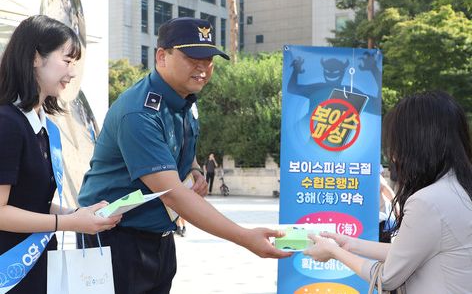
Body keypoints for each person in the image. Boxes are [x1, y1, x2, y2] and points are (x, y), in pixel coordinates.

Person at [77, 17, 291, 294]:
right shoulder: (140, 112)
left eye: (209, 59)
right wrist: (245, 237)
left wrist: (196, 170)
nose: (203, 68)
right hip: (116, 238)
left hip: (158, 236)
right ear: (162, 56)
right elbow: (172, 193)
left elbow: (181, 148)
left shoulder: (183, 101)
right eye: (192, 58)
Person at [304, 91, 472, 293]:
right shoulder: (458, 188)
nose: (393, 155)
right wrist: (349, 244)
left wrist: (333, 252)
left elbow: (387, 277)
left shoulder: (428, 201)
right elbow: (409, 252)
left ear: (417, 144)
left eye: (398, 144)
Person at [0, 15, 121, 294]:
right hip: (10, 271)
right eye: (67, 61)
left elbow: (32, 201)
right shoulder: (7, 123)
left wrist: (77, 213)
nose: (72, 72)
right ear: (34, 57)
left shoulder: (45, 127)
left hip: (41, 266)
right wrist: (68, 222)